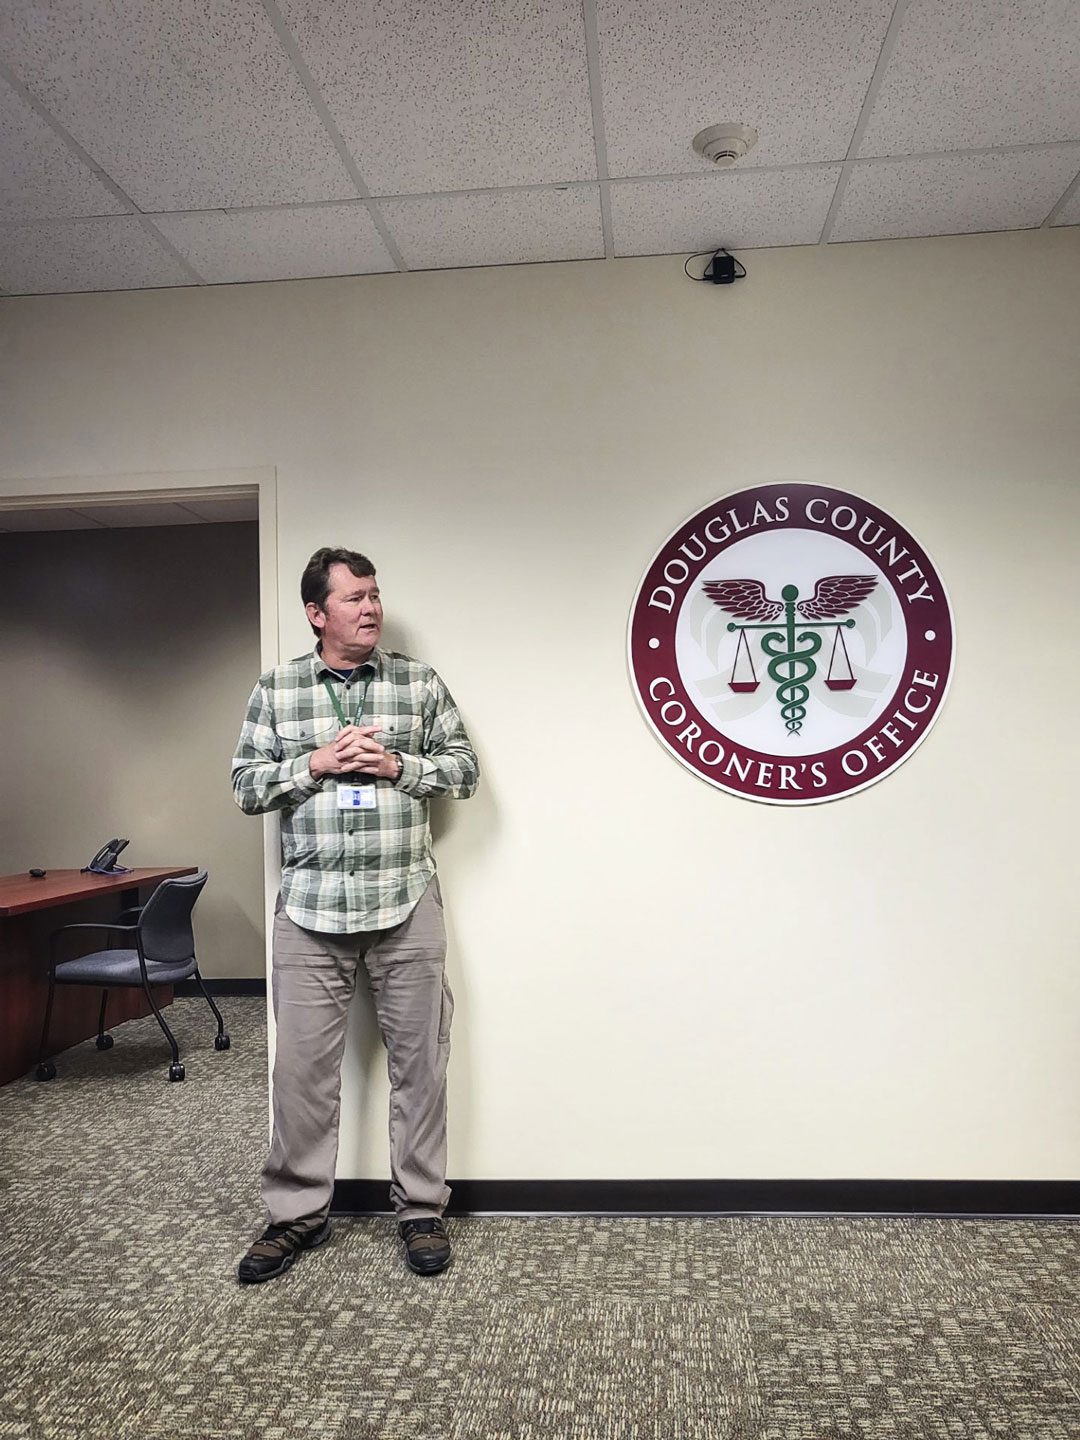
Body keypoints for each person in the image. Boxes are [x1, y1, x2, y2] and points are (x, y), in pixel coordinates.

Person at [231, 546, 479, 1283]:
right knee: (302, 1074)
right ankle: (296, 1216)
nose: (371, 608)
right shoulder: (277, 692)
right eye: (354, 598)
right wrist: (316, 764)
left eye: (374, 595)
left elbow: (464, 771)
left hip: (406, 898)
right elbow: (246, 786)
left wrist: (397, 767)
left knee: (421, 1066)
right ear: (316, 613)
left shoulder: (416, 683)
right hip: (310, 910)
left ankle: (422, 1211)